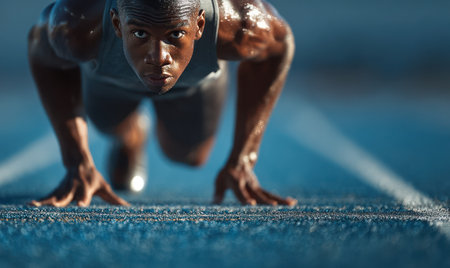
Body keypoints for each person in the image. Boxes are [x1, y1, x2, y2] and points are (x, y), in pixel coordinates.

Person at [28, 0, 297, 207]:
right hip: (110, 83)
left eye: (175, 34)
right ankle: (132, 136)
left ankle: (196, 57)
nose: (158, 58)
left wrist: (243, 158)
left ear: (200, 25)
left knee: (189, 156)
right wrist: (76, 160)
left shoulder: (242, 25)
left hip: (194, 85)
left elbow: (279, 47)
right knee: (110, 126)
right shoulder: (75, 25)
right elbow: (41, 55)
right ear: (117, 24)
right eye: (141, 34)